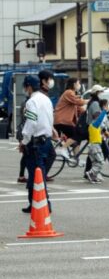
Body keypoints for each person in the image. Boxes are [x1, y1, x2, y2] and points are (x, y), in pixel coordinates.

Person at [17, 74, 54, 214]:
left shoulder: (31, 102)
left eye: (25, 87)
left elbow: (31, 123)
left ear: (29, 87)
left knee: (36, 174)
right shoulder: (46, 99)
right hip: (46, 140)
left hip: (35, 142)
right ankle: (33, 202)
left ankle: (44, 203)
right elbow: (50, 119)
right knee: (37, 174)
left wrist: (24, 141)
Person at [82, 89, 109, 183]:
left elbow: (101, 125)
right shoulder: (94, 125)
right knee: (100, 162)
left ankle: (93, 176)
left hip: (93, 146)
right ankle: (90, 173)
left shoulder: (94, 126)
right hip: (95, 146)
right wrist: (104, 111)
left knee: (95, 163)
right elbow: (99, 119)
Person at [53, 77, 86, 146]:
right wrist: (89, 101)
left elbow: (78, 108)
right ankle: (63, 149)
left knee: (75, 142)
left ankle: (72, 153)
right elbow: (79, 102)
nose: (79, 85)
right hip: (63, 121)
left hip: (62, 121)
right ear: (74, 84)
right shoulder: (69, 92)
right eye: (78, 83)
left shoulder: (72, 95)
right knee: (77, 136)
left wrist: (86, 111)